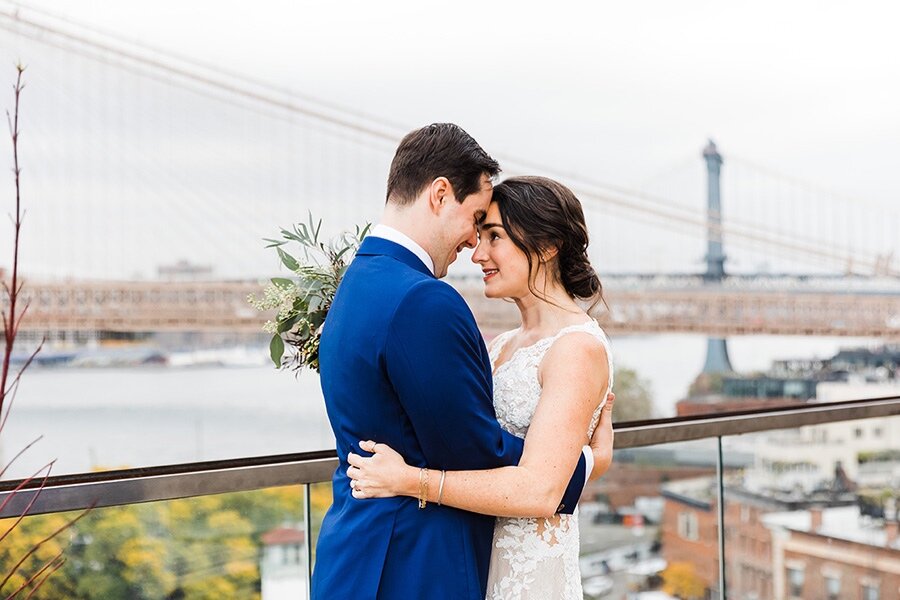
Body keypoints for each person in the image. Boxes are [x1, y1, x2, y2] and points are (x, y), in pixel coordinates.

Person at [311, 125, 611, 600]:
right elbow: (475, 452)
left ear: (547, 246)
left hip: (368, 551)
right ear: (439, 194)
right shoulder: (424, 301)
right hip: (415, 561)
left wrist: (411, 477)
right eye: (477, 221)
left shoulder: (358, 281)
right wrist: (587, 460)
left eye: (493, 234)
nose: (474, 247)